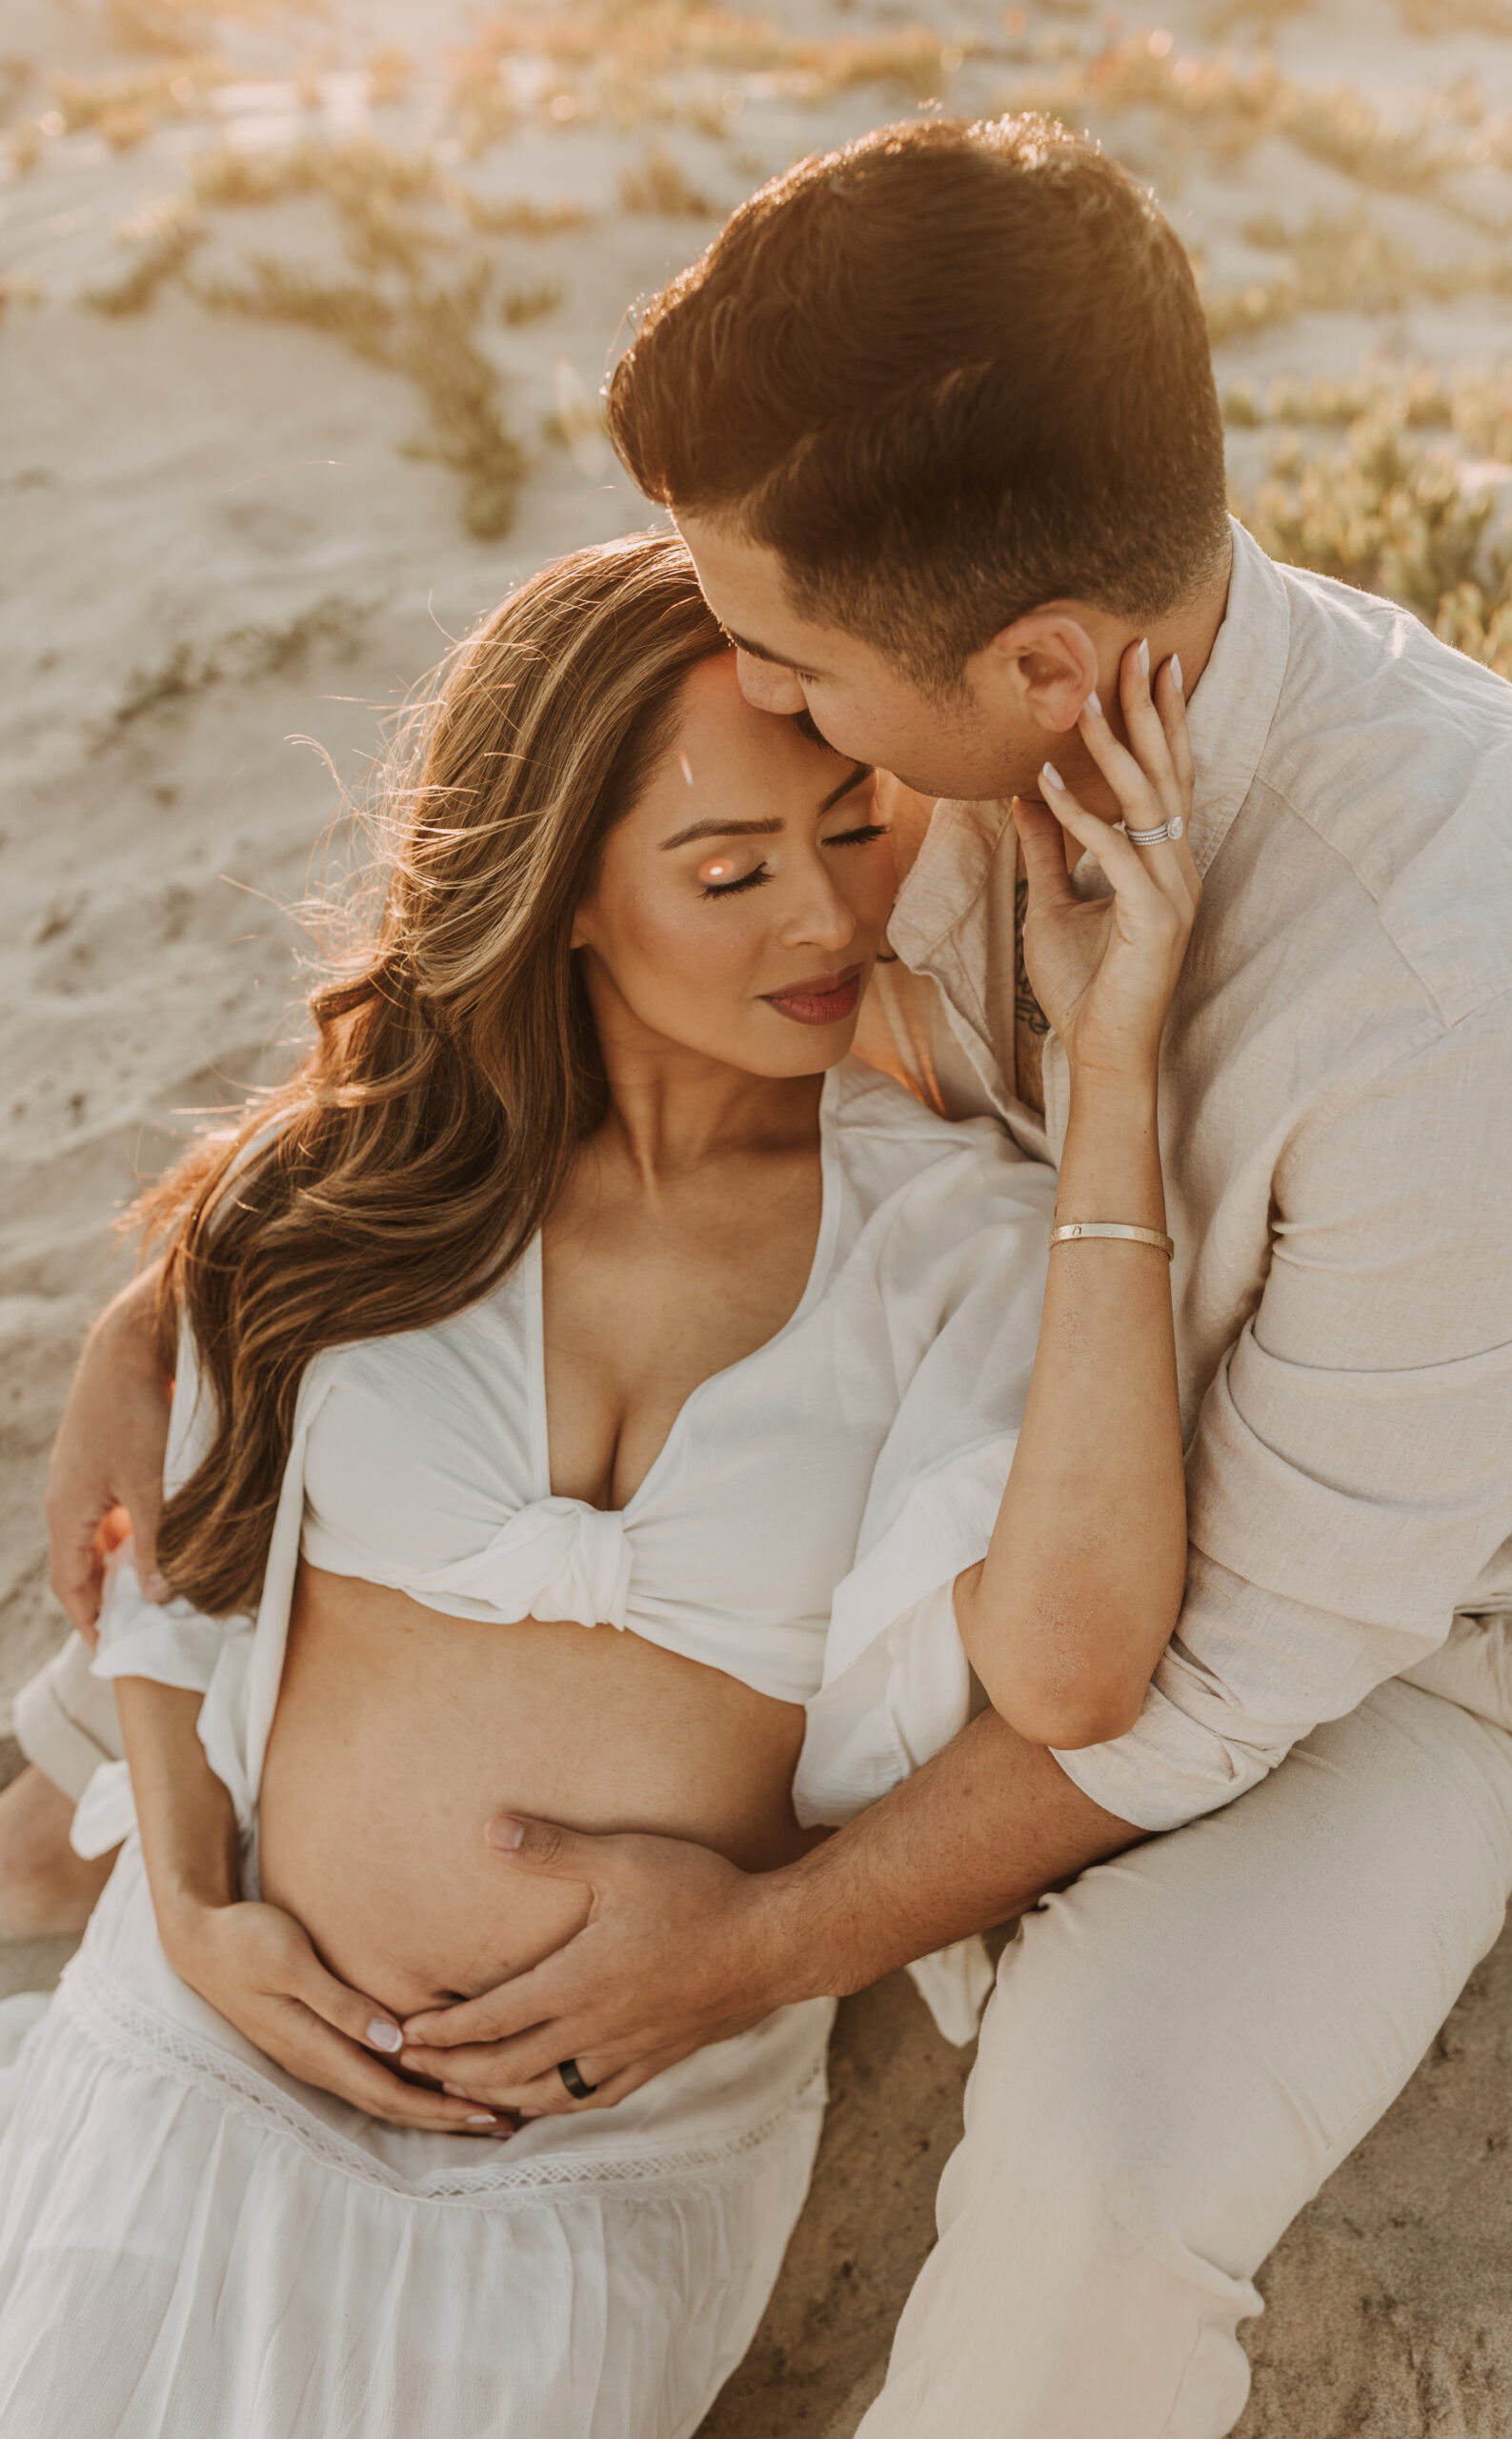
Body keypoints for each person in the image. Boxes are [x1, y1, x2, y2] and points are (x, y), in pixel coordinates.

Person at [12, 113, 1512, 2438]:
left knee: (1100, 2161)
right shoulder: (924, 700)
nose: (765, 707)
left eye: (792, 672)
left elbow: (1174, 1696)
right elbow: (546, 963)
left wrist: (759, 1940)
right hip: (947, 1408)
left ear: (1037, 658)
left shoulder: (1480, 998)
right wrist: (160, 1316)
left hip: (1411, 1615)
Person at [0, 528, 1200, 2436]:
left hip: (583, 2190)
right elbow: (183, 1559)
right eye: (726, 869)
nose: (819, 917)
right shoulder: (371, 1183)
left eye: (844, 829)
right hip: (199, 2062)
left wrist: (1114, 1066)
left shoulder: (953, 1242)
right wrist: (193, 1899)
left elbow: (1079, 1656)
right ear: (563, 892)